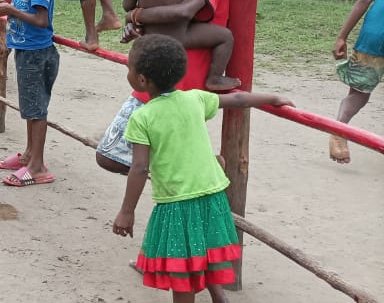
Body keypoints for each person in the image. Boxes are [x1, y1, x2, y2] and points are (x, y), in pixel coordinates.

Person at [113, 34, 291, 302]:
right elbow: (239, 100)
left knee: (182, 275)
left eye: (130, 68)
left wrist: (127, 212)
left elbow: (139, 168)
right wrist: (273, 97)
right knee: (204, 249)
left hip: (177, 203)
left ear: (141, 80)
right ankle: (219, 296)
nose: (129, 71)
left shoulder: (142, 117)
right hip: (211, 195)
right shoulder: (194, 98)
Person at [98, 0, 233, 178]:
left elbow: (180, 13)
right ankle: (201, 165)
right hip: (167, 80)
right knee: (118, 155)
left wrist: (135, 15)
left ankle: (204, 166)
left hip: (177, 85)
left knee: (111, 157)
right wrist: (137, 24)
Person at [0, 0, 58, 187]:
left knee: (36, 109)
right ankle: (30, 155)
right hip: (28, 51)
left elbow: (41, 20)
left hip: (36, 53)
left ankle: (38, 166)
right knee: (31, 107)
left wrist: (11, 11)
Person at [330, 0, 384, 163]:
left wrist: (341, 37)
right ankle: (339, 131)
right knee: (359, 92)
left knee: (359, 93)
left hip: (374, 36)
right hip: (376, 37)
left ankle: (339, 129)